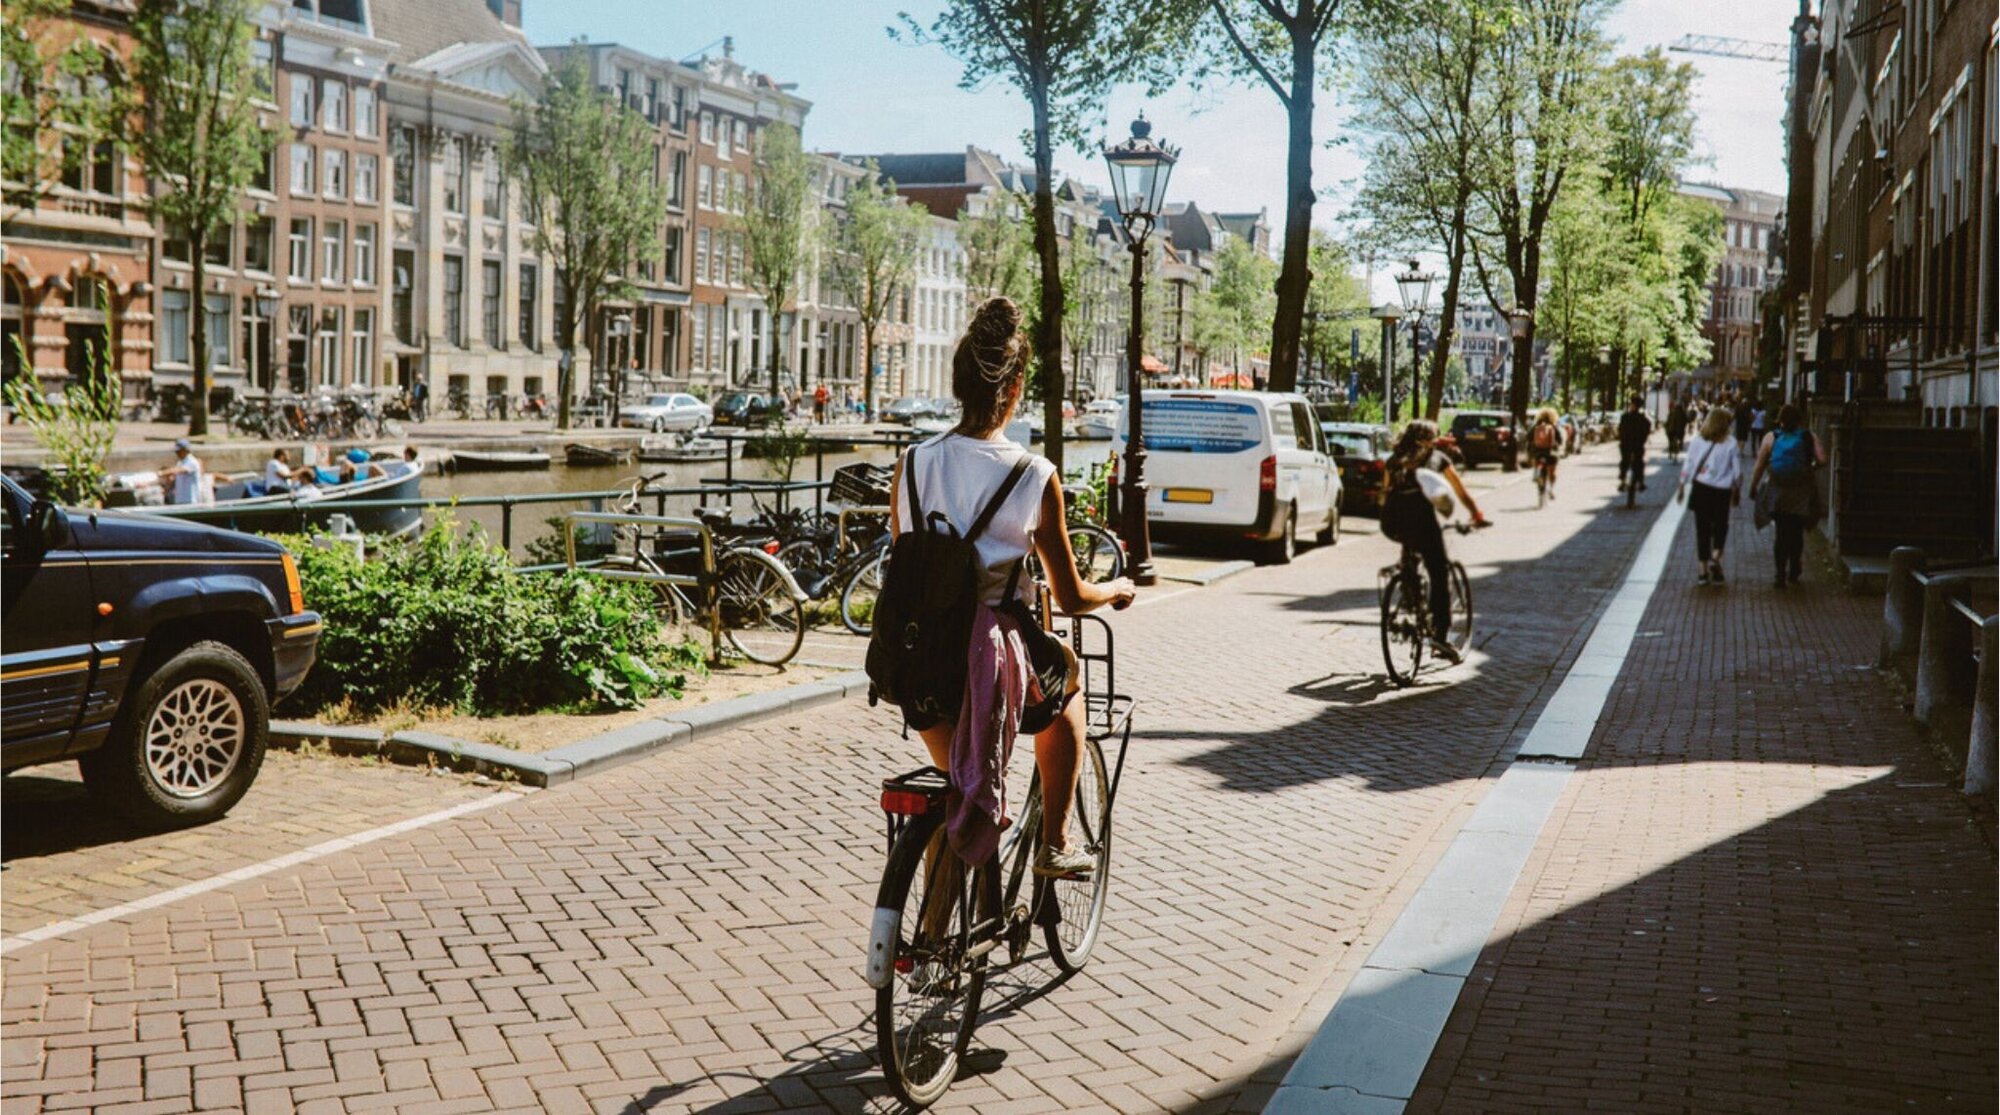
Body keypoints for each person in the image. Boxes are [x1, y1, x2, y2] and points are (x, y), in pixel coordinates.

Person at [888, 296, 1135, 878]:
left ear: (957, 383)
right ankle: (1055, 842)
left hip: (916, 658)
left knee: (954, 791)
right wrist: (1115, 588)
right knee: (1068, 683)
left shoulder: (912, 462)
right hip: (992, 658)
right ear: (1017, 386)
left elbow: (906, 557)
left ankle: (928, 936)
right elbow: (1070, 596)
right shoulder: (1033, 475)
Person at [1382, 420, 1489, 663]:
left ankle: (1410, 593)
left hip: (1391, 519)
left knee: (1411, 551)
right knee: (1439, 571)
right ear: (1428, 440)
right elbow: (1460, 492)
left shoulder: (1394, 459)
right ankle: (1440, 635)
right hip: (1421, 518)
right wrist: (1477, 515)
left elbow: (1385, 491)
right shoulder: (1436, 458)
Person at [1747, 404, 1825, 588]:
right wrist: (1810, 468)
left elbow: (1759, 465)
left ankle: (1779, 574)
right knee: (1797, 531)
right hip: (1801, 491)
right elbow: (1822, 459)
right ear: (1799, 420)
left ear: (1780, 419)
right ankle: (1795, 570)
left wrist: (1753, 487)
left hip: (1778, 490)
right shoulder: (1808, 436)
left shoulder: (1771, 437)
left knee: (1781, 532)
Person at [1677, 405, 1740, 585]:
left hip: (1701, 488)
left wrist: (1682, 485)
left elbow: (1689, 464)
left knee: (1702, 529)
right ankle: (1716, 556)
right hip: (1722, 491)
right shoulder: (1731, 443)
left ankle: (1702, 571)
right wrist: (1737, 489)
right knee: (1721, 526)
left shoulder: (1697, 441)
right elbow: (1736, 472)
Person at [1617, 395, 1653, 493]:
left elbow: (1620, 430)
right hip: (1638, 446)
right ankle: (1640, 482)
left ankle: (1623, 480)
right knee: (1639, 463)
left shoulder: (1625, 417)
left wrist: (1621, 438)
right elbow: (1647, 429)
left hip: (1626, 445)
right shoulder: (1643, 419)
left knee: (1624, 462)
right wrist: (1643, 439)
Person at [1528, 407, 1562, 497]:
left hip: (1538, 451)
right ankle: (1551, 489)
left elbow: (1528, 437)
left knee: (1535, 459)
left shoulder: (1536, 426)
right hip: (1550, 452)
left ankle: (1536, 472)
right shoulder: (1553, 426)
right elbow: (1560, 439)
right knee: (1552, 471)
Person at [158, 439, 204, 505]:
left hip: (191, 500)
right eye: (176, 451)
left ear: (185, 450)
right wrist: (167, 489)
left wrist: (162, 473)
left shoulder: (192, 462)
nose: (177, 453)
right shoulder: (180, 463)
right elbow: (175, 478)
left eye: (179, 451)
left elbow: (179, 470)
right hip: (180, 500)